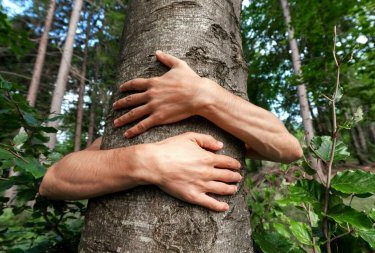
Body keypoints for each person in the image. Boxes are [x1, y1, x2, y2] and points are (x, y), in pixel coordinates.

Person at [39, 51, 303, 212]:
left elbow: (288, 148)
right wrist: (150, 162)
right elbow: (54, 181)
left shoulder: (227, 124)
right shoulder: (127, 130)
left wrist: (202, 95)